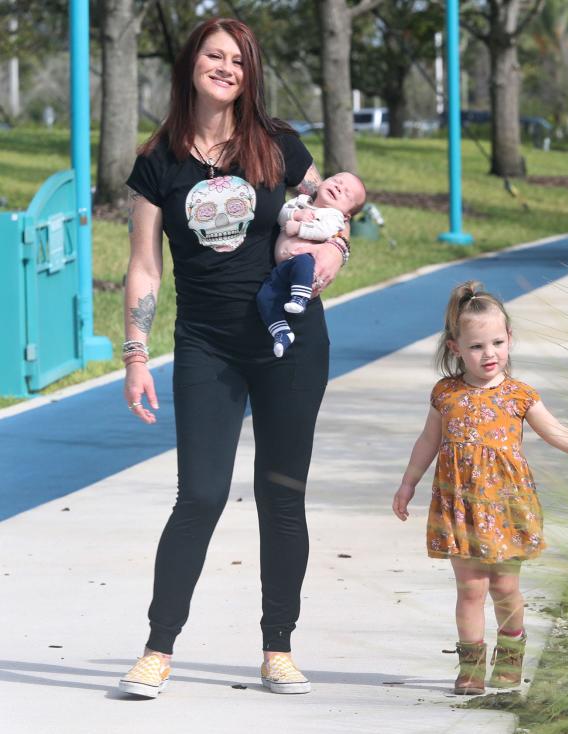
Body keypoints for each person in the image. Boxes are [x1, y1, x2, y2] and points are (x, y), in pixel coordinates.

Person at [118, 17, 349, 698]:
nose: (225, 68)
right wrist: (136, 356)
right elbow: (142, 268)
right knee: (200, 494)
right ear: (192, 63)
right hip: (207, 344)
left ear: (250, 74)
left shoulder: (277, 146)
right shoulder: (158, 161)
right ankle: (159, 649)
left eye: (238, 61)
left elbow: (329, 216)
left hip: (290, 342)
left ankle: (278, 646)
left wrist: (335, 250)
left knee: (283, 496)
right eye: (214, 56)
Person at [391, 281, 568, 696]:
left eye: (498, 343)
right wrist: (408, 482)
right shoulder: (445, 394)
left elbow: (557, 432)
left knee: (504, 587)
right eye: (477, 346)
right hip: (461, 506)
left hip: (506, 507)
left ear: (510, 340)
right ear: (455, 348)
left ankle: (510, 654)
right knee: (470, 588)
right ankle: (470, 666)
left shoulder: (519, 395)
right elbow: (428, 441)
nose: (489, 354)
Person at [258, 172, 365, 357]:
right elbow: (282, 214)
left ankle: (300, 297)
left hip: (301, 262)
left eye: (346, 193)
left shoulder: (333, 216)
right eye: (336, 181)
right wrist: (297, 214)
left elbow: (325, 231)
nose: (339, 187)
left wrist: (300, 228)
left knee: (304, 261)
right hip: (282, 269)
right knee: (265, 297)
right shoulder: (301, 201)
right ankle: (281, 333)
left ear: (347, 215)